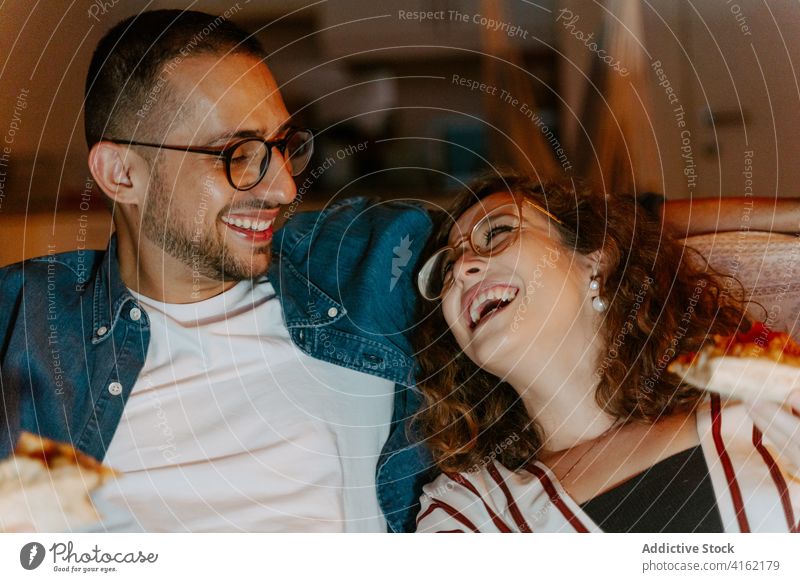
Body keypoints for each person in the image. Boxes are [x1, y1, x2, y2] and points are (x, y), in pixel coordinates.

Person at [0, 9, 798, 533]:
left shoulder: (350, 267)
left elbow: (583, 232)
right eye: (236, 156)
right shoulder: (27, 321)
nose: (281, 186)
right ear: (120, 175)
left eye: (284, 146)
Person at [413, 175, 800, 532]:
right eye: (446, 268)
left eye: (497, 232)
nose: (462, 268)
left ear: (594, 261)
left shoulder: (772, 399)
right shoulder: (467, 512)